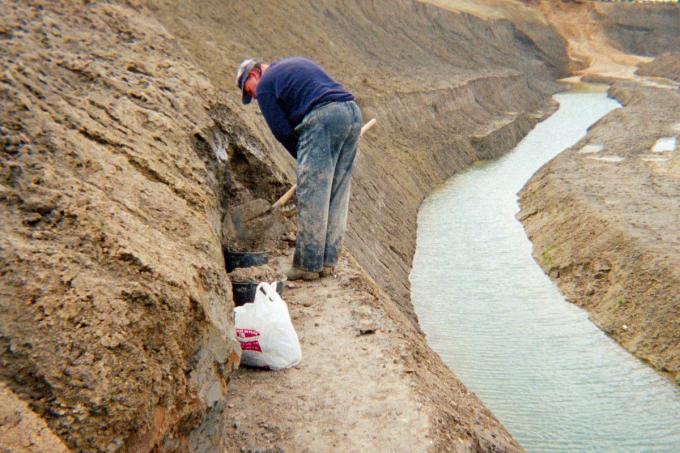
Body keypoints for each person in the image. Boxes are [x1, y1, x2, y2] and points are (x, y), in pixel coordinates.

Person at [236, 57, 362, 281]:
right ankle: (327, 262)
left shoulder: (265, 86)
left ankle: (307, 265)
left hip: (323, 118)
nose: (254, 97)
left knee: (313, 193)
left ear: (253, 75)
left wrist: (307, 162)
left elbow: (281, 131)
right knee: (337, 192)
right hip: (351, 113)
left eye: (250, 91)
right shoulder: (291, 65)